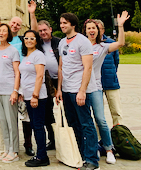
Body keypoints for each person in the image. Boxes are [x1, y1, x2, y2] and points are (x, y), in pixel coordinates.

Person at [84, 12, 129, 165]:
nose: (91, 30)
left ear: (98, 31)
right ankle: (92, 148)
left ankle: (109, 149)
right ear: (85, 31)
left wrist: (120, 25)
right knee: (86, 121)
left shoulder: (102, 46)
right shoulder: (80, 46)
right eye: (88, 28)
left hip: (95, 87)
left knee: (101, 120)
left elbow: (120, 43)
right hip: (81, 89)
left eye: (94, 28)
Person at [55, 13, 99, 170]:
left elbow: (87, 67)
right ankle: (80, 153)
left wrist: (82, 91)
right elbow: (61, 67)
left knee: (86, 123)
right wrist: (59, 89)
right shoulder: (62, 43)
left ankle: (92, 159)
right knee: (74, 124)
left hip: (79, 90)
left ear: (73, 24)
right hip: (66, 90)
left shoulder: (83, 41)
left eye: (65, 23)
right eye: (60, 23)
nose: (62, 25)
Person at [19, 30, 50, 167]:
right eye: (26, 38)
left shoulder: (38, 55)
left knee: (38, 126)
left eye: (32, 38)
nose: (29, 40)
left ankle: (42, 156)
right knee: (34, 125)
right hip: (27, 96)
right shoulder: (26, 56)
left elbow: (39, 76)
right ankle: (40, 154)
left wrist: (35, 96)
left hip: (36, 96)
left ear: (36, 40)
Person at [0, 23, 21, 163]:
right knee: (2, 121)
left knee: (11, 121)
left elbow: (17, 72)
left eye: (4, 31)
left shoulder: (13, 51)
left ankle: (14, 150)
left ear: (8, 34)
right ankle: (7, 148)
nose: (1, 33)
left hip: (9, 89)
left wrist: (15, 91)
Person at [35, 18, 61, 150]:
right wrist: (32, 14)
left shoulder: (58, 42)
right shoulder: (38, 44)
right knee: (47, 111)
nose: (43, 32)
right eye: (40, 31)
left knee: (65, 110)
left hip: (60, 79)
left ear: (50, 29)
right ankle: (53, 139)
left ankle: (70, 137)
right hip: (46, 80)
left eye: (45, 30)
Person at [95, 19, 124, 126]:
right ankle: (99, 137)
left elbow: (116, 62)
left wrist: (111, 74)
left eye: (98, 28)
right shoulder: (88, 44)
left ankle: (119, 134)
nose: (96, 31)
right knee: (98, 114)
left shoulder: (111, 43)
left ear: (103, 30)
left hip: (111, 82)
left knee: (116, 111)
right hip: (95, 84)